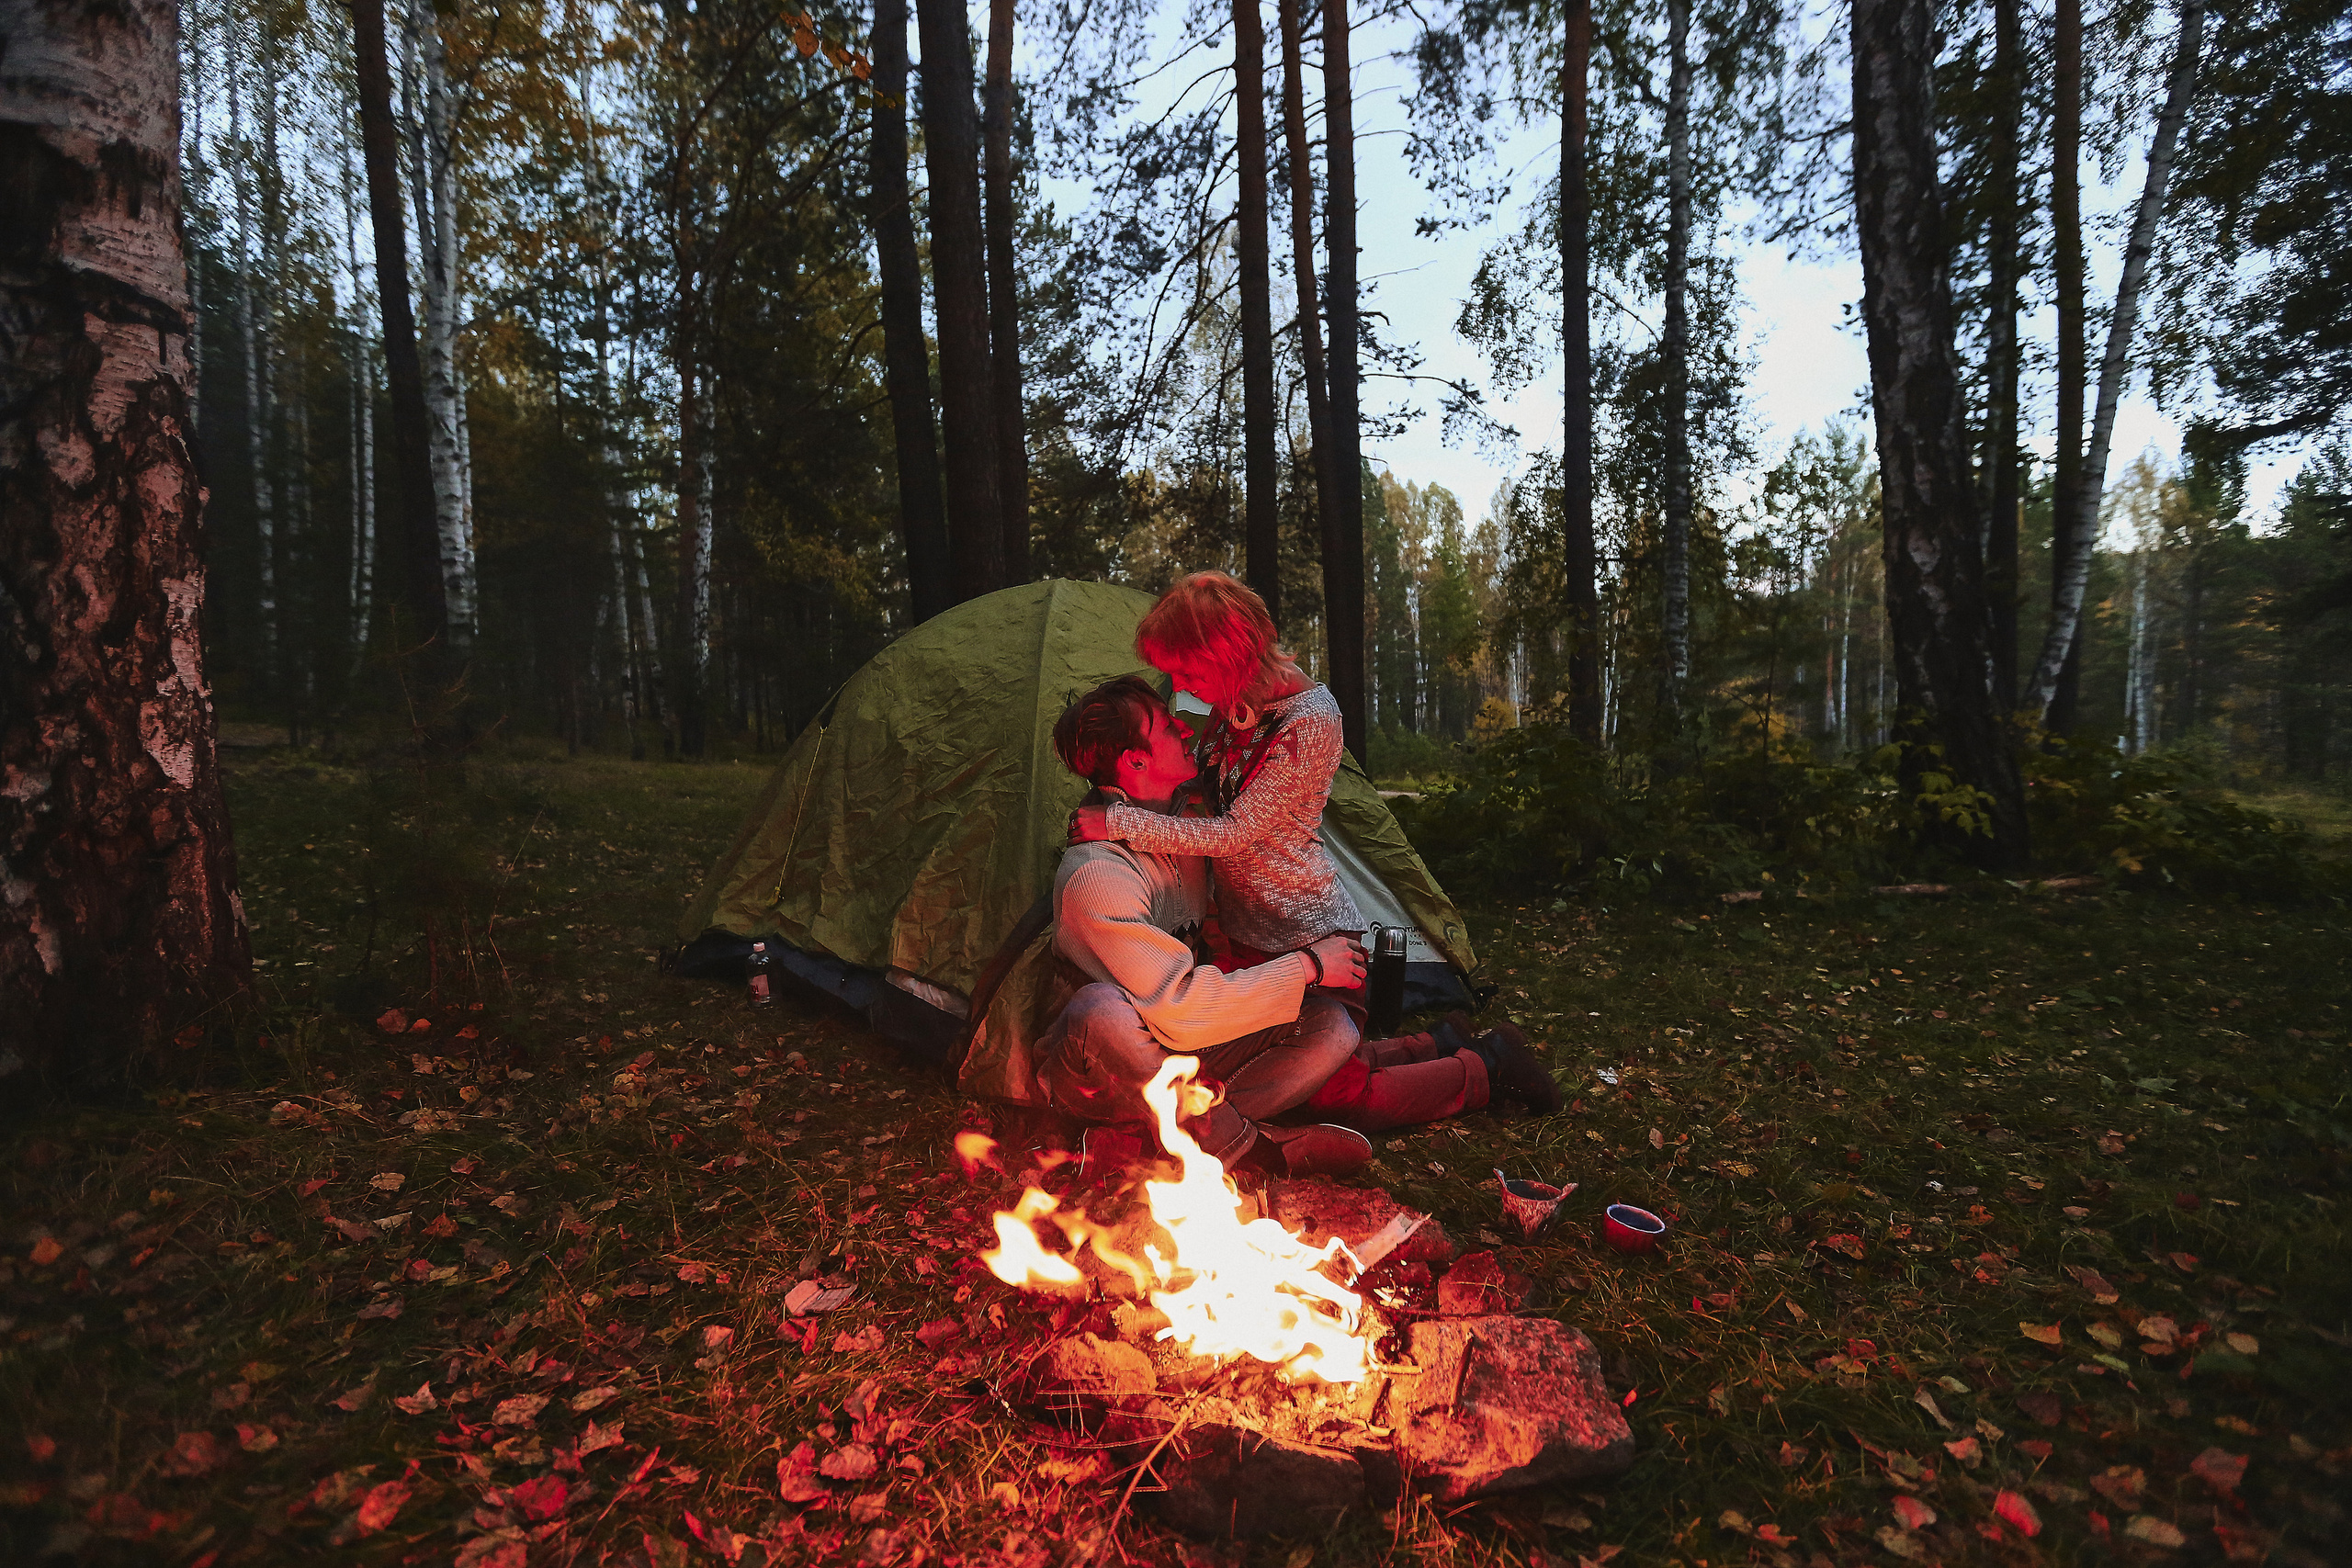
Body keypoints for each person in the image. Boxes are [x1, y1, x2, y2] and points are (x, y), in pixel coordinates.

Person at [1069, 571, 1559, 1117]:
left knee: (1329, 1094)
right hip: (1250, 933)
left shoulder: (1310, 720)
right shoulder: (1234, 705)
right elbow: (1213, 796)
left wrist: (1121, 822)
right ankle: (1436, 1043)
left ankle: (1489, 1068)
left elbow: (1234, 835)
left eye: (1185, 670)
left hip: (1310, 930)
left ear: (1222, 656)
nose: (1181, 686)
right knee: (1299, 1062)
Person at [1036, 675, 1540, 1178]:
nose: (1185, 732)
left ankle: (1168, 1143)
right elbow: (1180, 1006)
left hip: (1182, 1052)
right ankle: (1249, 1147)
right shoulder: (1098, 876)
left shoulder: (1178, 828)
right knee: (1100, 1011)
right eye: (1168, 727)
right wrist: (1307, 966)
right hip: (1104, 1076)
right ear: (1136, 761)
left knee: (1328, 1025)